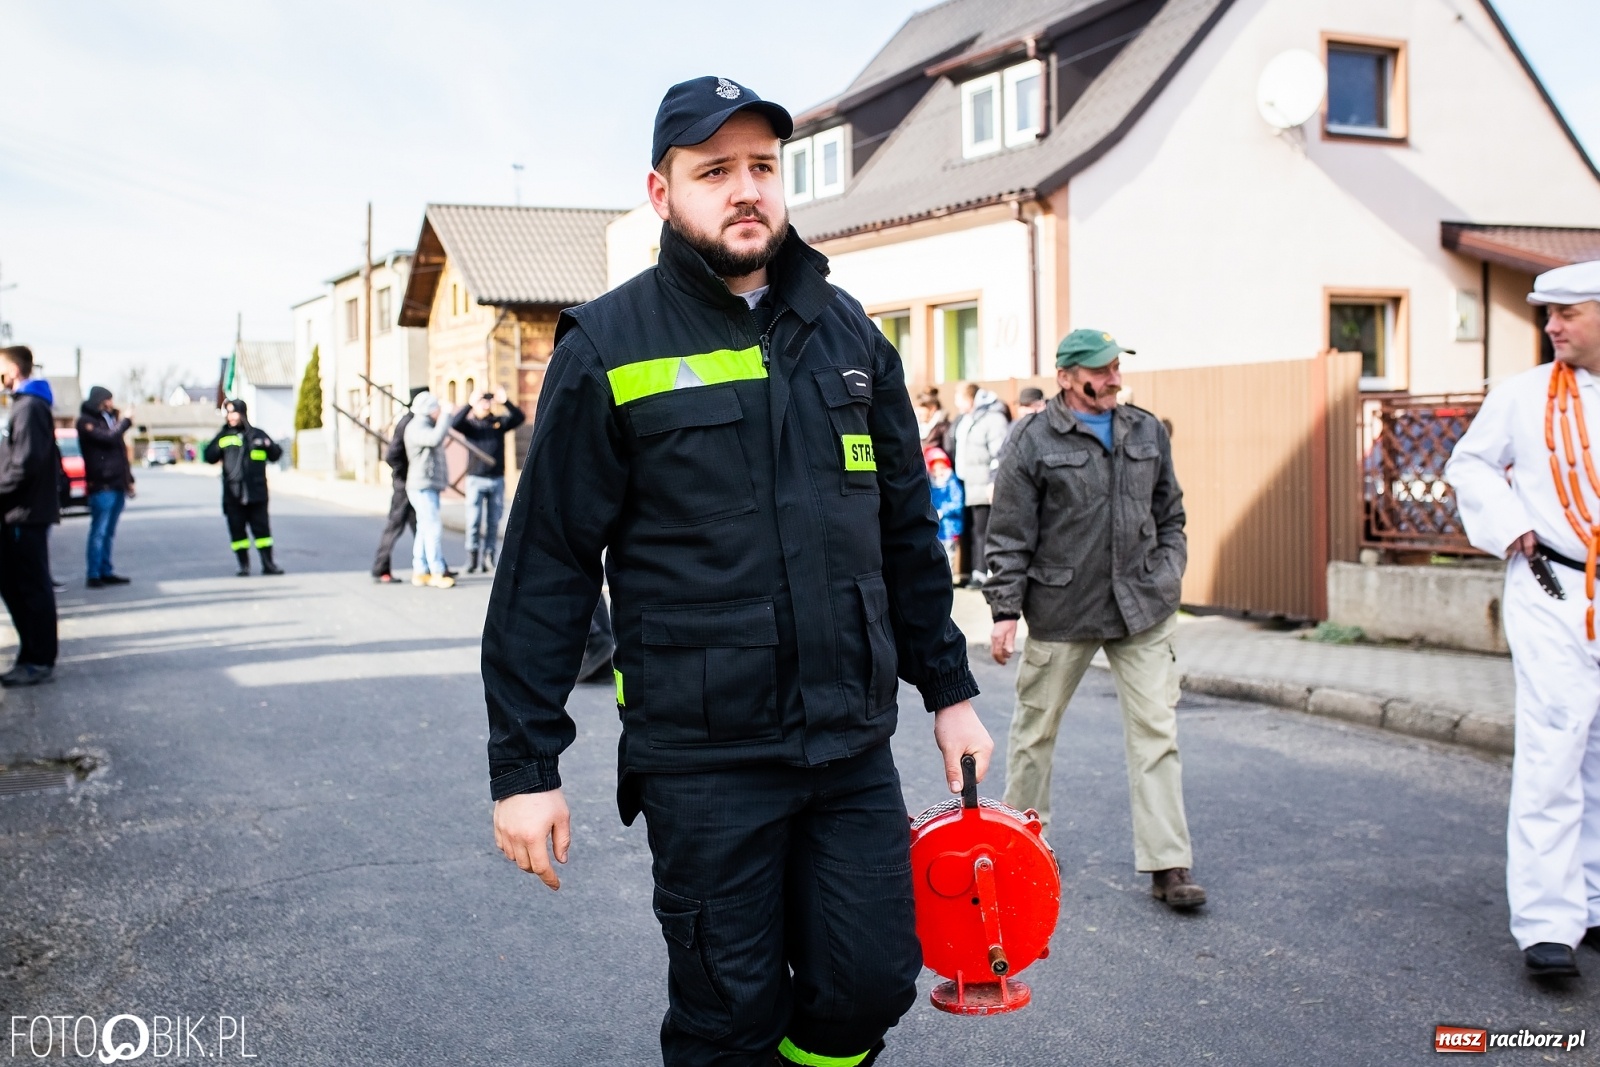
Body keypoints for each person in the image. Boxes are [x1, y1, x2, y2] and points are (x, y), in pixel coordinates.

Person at [483, 76, 990, 1067]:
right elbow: (547, 561)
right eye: (715, 170)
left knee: (873, 978)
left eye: (763, 166)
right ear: (662, 191)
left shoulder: (849, 339)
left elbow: (902, 536)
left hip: (847, 745)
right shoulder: (609, 344)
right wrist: (523, 766)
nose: (745, 188)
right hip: (705, 758)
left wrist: (951, 691)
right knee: (728, 1011)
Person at [984, 328, 1205, 910]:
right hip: (1061, 609)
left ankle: (1168, 864)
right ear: (1065, 377)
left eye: (1114, 368)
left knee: (1157, 734)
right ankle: (1017, 857)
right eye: (1098, 370)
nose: (1111, 379)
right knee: (1034, 735)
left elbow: (1171, 512)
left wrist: (1169, 570)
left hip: (1143, 606)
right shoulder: (1031, 438)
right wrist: (1005, 610)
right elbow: (1007, 532)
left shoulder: (1145, 429)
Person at [1445, 259, 1600, 979]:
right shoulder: (1524, 394)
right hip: (1554, 588)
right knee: (1554, 744)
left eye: (1566, 312)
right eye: (1547, 313)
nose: (1551, 325)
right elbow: (1470, 464)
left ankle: (1592, 901)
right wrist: (1511, 524)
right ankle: (1548, 923)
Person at [0, 346, 61, 686]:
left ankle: (39, 659)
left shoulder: (30, 408)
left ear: (12, 369)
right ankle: (30, 654)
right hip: (16, 513)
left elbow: (25, 464)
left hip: (25, 514)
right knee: (16, 586)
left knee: (30, 587)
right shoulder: (22, 406)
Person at [203, 399, 283, 576]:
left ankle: (268, 564)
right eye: (228, 413)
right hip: (234, 494)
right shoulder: (224, 436)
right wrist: (221, 437)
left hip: (257, 494)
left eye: (234, 412)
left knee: (262, 532)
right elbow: (208, 456)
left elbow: (276, 454)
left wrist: (268, 445)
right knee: (237, 531)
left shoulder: (258, 435)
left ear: (243, 413)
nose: (231, 417)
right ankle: (243, 565)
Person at [450, 386, 525, 573]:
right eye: (482, 401)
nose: (485, 404)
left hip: (496, 479)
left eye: (487, 400)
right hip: (476, 478)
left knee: (493, 522)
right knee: (473, 521)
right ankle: (472, 558)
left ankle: (490, 557)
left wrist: (504, 401)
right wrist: (470, 403)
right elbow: (454, 423)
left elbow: (519, 418)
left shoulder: (498, 423)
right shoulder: (471, 425)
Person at [76, 385, 135, 587]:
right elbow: (108, 438)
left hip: (117, 483)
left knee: (109, 531)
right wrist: (126, 421)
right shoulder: (86, 422)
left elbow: (120, 453)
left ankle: (105, 569)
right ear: (99, 399)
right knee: (99, 531)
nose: (111, 403)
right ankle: (93, 573)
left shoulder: (109, 420)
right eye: (108, 399)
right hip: (102, 484)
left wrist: (130, 480)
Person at [951, 381, 1009, 586]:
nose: (956, 403)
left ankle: (982, 573)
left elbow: (1000, 453)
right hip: (966, 483)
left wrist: (993, 482)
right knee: (969, 530)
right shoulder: (965, 419)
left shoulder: (992, 419)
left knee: (982, 530)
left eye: (958, 398)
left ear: (969, 398)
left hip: (983, 484)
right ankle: (969, 571)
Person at [372, 387, 426, 584]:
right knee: (394, 526)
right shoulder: (408, 422)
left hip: (411, 482)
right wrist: (403, 474)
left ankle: (434, 566)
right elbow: (391, 455)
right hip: (404, 484)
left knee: (421, 526)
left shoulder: (415, 420)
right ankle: (381, 569)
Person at [403, 390, 456, 588]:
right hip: (422, 486)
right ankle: (436, 571)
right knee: (432, 528)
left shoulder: (422, 425)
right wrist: (447, 416)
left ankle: (420, 570)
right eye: (437, 408)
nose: (439, 411)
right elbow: (435, 439)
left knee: (424, 528)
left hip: (425, 485)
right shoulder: (417, 426)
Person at [925, 445, 963, 580]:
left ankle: (949, 576)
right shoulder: (931, 486)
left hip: (950, 527)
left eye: (942, 468)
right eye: (934, 469)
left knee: (949, 552)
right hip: (937, 529)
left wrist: (943, 511)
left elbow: (957, 502)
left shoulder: (952, 483)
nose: (938, 472)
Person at [916, 387, 953, 455]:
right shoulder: (919, 429)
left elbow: (949, 452)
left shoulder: (944, 428)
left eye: (921, 410)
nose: (918, 414)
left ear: (932, 409)